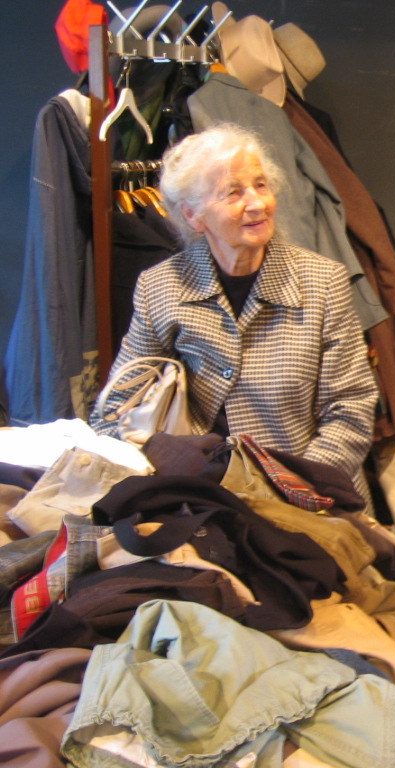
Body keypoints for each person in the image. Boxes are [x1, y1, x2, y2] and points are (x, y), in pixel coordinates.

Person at [90, 123, 378, 502]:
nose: (257, 203)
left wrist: (292, 491)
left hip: (311, 498)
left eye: (261, 185)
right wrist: (165, 455)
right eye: (233, 192)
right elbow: (112, 412)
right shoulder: (161, 287)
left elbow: (351, 409)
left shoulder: (321, 283)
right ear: (193, 215)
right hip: (205, 500)